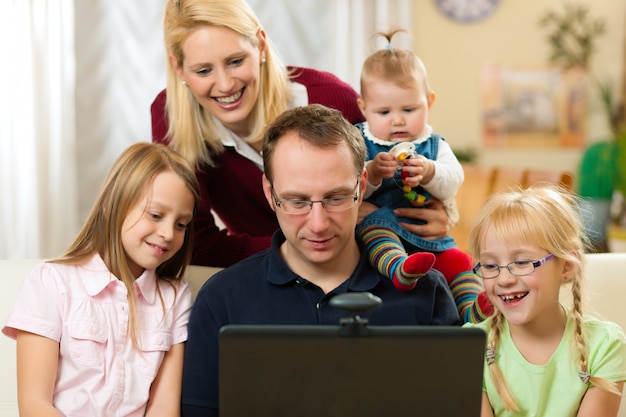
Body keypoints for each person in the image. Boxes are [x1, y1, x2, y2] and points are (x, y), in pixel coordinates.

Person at [181, 104, 460, 416]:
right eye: (297, 201)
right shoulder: (222, 300)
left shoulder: (426, 292)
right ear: (270, 193)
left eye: (336, 198)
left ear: (362, 185)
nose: (318, 224)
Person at [151, 0, 452, 267]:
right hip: (262, 273)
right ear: (178, 68)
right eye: (204, 71)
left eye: (235, 61)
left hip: (362, 265)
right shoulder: (171, 118)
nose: (226, 84)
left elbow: (404, 167)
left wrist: (442, 213)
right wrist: (296, 247)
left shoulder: (333, 98)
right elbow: (193, 242)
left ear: (260, 45)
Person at [2, 142, 200, 417]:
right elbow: (35, 404)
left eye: (181, 224)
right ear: (112, 205)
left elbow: (164, 406)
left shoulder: (176, 297)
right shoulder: (51, 282)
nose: (168, 233)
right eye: (155, 215)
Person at [355, 30, 491, 323]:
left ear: (429, 102)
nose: (398, 119)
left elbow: (454, 179)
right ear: (363, 108)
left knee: (460, 261)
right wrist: (373, 172)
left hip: (428, 241)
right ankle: (399, 269)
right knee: (375, 229)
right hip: (385, 239)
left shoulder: (434, 145)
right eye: (384, 111)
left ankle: (473, 309)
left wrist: (430, 171)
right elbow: (349, 187)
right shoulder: (360, 143)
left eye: (409, 108)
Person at [464, 185, 626, 417]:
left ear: (567, 266)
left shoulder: (604, 345)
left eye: (521, 262)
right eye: (490, 265)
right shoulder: (472, 344)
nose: (504, 279)